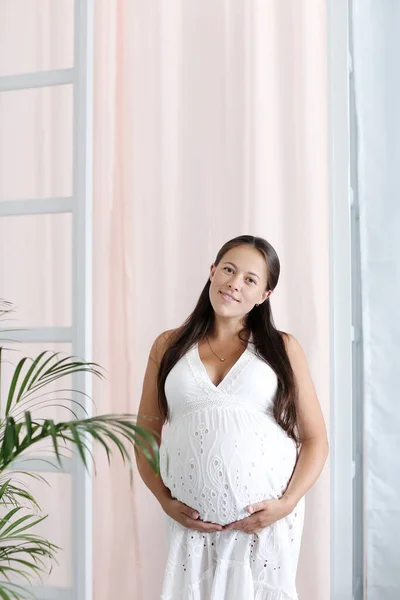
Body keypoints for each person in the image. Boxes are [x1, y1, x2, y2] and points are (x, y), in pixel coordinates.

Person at [136, 234, 329, 600]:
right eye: (228, 269)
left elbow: (316, 439)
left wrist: (285, 504)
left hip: (264, 528)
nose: (233, 284)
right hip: (191, 531)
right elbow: (146, 432)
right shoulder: (168, 346)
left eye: (250, 279)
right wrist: (164, 499)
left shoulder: (283, 347)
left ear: (265, 295)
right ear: (212, 272)